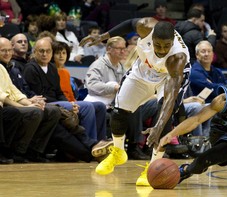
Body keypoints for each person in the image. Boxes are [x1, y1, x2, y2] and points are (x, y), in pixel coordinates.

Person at [80, 18, 190, 185]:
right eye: (157, 45)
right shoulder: (145, 26)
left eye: (166, 46)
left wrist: (158, 127)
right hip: (144, 70)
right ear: (151, 37)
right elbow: (129, 23)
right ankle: (118, 152)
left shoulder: (178, 57)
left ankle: (154, 167)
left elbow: (170, 98)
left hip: (168, 76)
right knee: (119, 111)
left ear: (172, 42)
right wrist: (102, 36)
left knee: (164, 116)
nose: (161, 50)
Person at [22, 38, 107, 143]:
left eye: (48, 51)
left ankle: (102, 142)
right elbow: (39, 95)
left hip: (59, 102)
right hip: (47, 104)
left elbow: (59, 92)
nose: (45, 54)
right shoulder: (30, 68)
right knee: (87, 106)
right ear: (35, 52)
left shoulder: (52, 68)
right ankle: (92, 144)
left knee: (100, 106)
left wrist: (70, 103)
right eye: (41, 51)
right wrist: (69, 105)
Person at [83, 36, 153, 160]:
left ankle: (151, 145)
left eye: (124, 48)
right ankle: (133, 147)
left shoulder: (122, 67)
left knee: (148, 104)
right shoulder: (98, 65)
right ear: (108, 49)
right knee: (131, 108)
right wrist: (114, 88)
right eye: (119, 48)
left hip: (116, 103)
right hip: (102, 104)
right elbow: (92, 85)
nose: (123, 51)